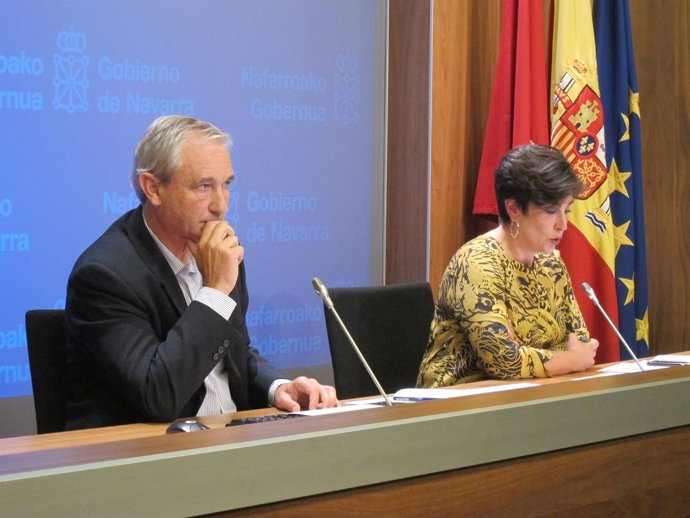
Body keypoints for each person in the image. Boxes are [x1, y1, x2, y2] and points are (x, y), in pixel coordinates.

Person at [64, 115, 338, 430]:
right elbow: (157, 395)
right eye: (204, 186)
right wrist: (215, 291)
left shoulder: (218, 252)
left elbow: (233, 355)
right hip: (143, 459)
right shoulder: (105, 275)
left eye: (226, 185)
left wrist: (278, 388)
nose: (221, 205)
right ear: (153, 188)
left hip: (227, 444)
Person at [417, 143, 599, 388]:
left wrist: (554, 356)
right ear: (513, 208)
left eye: (566, 210)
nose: (562, 224)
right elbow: (503, 361)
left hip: (532, 396)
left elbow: (578, 340)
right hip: (458, 405)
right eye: (550, 210)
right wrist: (570, 360)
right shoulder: (477, 262)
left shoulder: (551, 262)